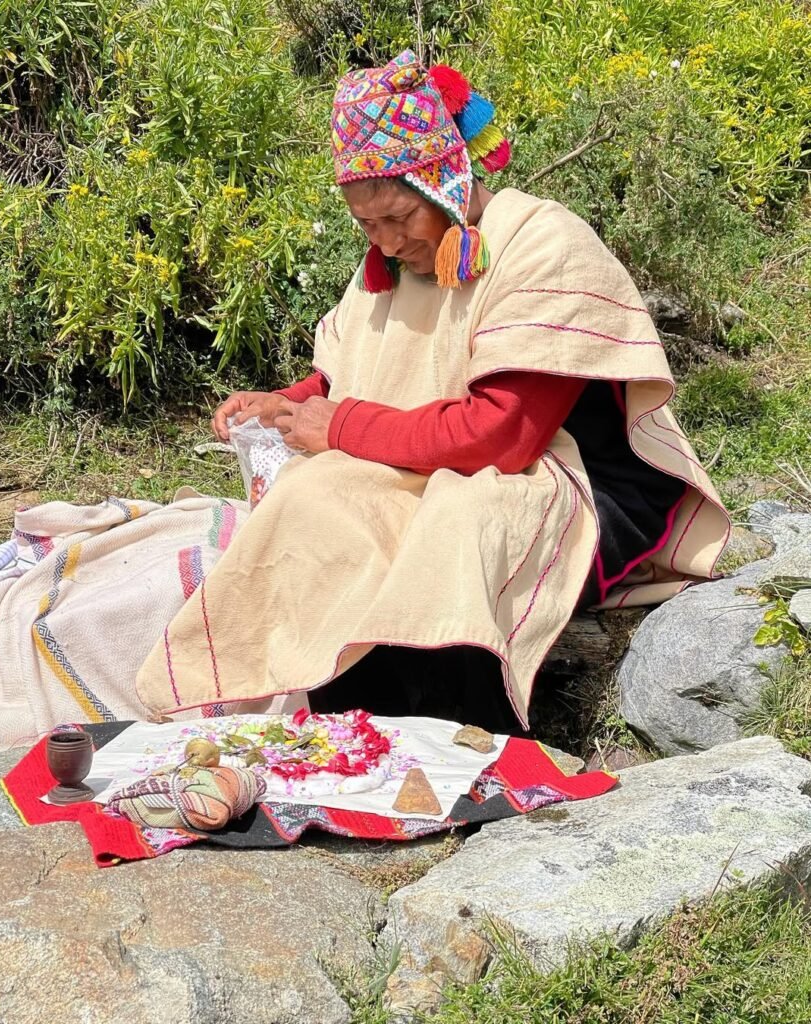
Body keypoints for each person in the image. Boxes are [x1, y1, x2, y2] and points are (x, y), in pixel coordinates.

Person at [134, 50, 729, 731]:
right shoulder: (395, 263)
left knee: (460, 516)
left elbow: (503, 435)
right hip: (452, 456)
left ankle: (466, 736)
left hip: (581, 488)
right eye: (366, 226)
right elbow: (363, 368)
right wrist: (291, 402)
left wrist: (340, 426)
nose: (386, 243)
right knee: (315, 496)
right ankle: (346, 731)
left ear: (446, 180)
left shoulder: (541, 244)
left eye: (397, 219)